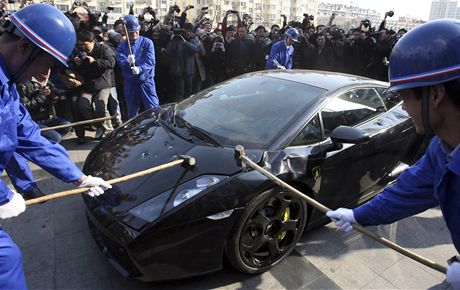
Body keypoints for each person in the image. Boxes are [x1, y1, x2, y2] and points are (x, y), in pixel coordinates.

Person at [326, 19, 460, 289]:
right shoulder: (442, 148)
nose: (403, 108)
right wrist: (359, 215)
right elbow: (409, 189)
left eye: (405, 97)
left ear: (434, 94)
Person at [0, 4, 112, 289]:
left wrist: (78, 177)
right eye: (47, 64)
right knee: (5, 260)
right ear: (25, 45)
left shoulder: (7, 86)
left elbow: (28, 136)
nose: (44, 76)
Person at [117, 15, 159, 118]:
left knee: (153, 108)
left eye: (136, 31)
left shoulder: (147, 42)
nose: (134, 34)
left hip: (146, 80)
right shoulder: (122, 46)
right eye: (131, 32)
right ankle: (134, 132)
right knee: (132, 111)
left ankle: (157, 127)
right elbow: (120, 62)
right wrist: (127, 62)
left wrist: (140, 69)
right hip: (130, 82)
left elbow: (150, 61)